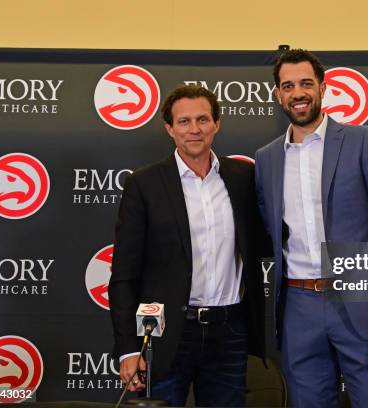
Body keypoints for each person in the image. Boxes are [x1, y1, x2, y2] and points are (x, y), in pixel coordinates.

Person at [255, 49, 368, 408]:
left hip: (363, 305)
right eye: (288, 85)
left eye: (306, 83)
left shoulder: (363, 141)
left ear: (323, 87)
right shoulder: (266, 158)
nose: (298, 93)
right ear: (278, 95)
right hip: (298, 308)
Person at [109, 84, 266, 407]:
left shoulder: (244, 176)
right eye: (184, 122)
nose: (194, 130)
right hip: (168, 335)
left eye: (203, 120)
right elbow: (124, 273)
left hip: (230, 332)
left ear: (217, 124)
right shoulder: (145, 184)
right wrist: (128, 348)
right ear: (169, 128)